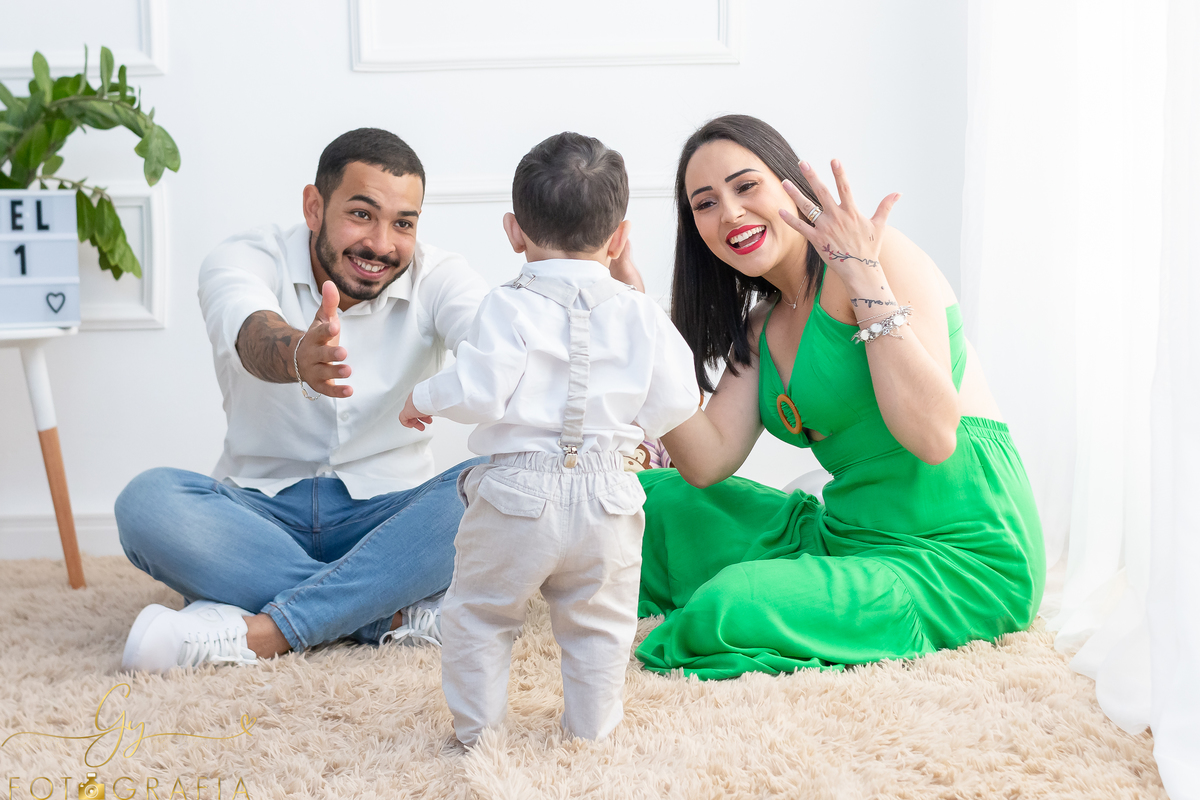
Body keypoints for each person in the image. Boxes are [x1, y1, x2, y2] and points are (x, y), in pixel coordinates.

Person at [634, 115, 1045, 680]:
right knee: (649, 501)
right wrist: (637, 328)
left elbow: (933, 437)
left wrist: (862, 274)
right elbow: (704, 463)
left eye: (745, 186)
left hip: (957, 559)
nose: (729, 213)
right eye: (705, 203)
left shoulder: (882, 257)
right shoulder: (761, 327)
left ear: (789, 186)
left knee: (730, 603)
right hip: (846, 537)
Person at [116, 128, 488, 672]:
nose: (381, 244)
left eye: (403, 223)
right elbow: (251, 331)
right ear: (314, 206)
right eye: (361, 214)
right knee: (146, 502)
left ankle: (263, 632)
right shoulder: (243, 257)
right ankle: (384, 614)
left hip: (389, 520)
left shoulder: (441, 276)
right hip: (257, 516)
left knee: (499, 482)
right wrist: (297, 355)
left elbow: (494, 344)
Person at [399, 132, 700, 745]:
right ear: (619, 238)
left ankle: (478, 736)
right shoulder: (642, 312)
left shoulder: (506, 306)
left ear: (514, 231)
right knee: (601, 626)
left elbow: (480, 390)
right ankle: (592, 732)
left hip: (516, 492)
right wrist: (629, 430)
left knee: (480, 615)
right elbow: (679, 399)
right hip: (610, 494)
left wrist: (422, 397)